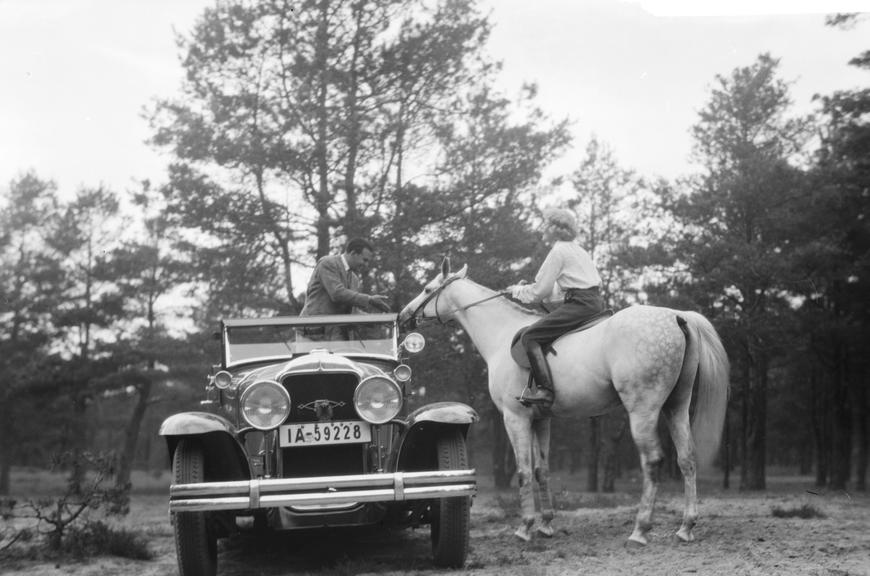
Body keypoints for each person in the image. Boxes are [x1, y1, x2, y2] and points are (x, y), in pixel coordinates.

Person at [508, 208, 606, 407]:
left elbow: (540, 292)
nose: (544, 228)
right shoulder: (579, 251)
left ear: (557, 228)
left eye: (548, 224)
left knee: (530, 337)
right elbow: (560, 290)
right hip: (596, 303)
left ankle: (545, 391)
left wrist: (517, 291)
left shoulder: (558, 251)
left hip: (580, 304)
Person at [300, 238, 391, 317]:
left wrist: (376, 320)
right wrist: (370, 300)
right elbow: (337, 293)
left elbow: (352, 312)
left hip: (333, 334)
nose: (366, 265)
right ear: (353, 253)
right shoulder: (328, 263)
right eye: (364, 260)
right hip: (310, 333)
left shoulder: (354, 279)